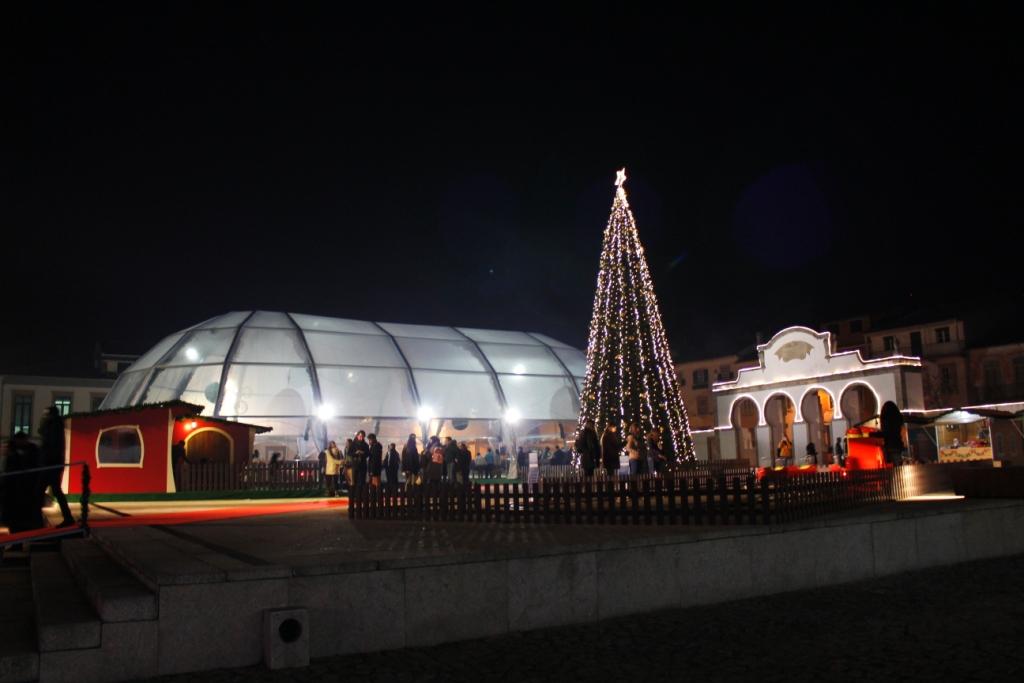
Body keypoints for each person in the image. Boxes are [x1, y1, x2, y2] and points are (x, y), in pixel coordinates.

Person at [39, 406, 75, 527]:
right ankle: (67, 517)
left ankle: (36, 518)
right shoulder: (57, 425)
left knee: (40, 491)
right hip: (53, 463)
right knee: (55, 491)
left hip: (50, 464)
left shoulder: (52, 426)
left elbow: (49, 443)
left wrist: (46, 462)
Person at [1, 432, 45, 533]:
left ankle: (20, 540)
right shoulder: (21, 450)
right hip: (19, 491)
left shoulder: (27, 451)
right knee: (18, 520)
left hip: (22, 491)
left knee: (20, 520)